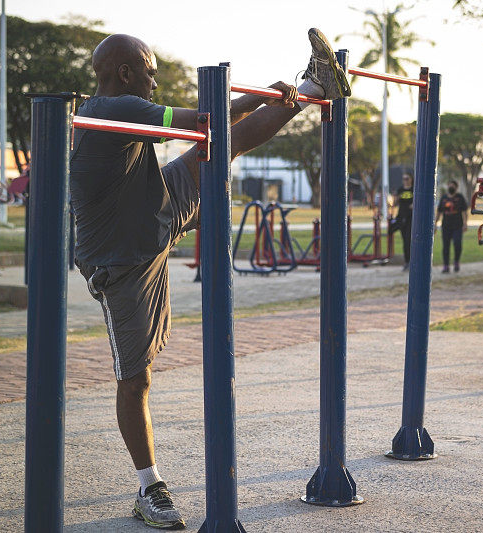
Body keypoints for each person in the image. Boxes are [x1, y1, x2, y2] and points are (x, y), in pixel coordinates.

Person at [70, 29, 350, 530]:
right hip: (121, 260)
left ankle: (315, 85)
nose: (155, 80)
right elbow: (201, 120)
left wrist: (281, 97)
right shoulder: (115, 108)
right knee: (135, 379)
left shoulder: (120, 105)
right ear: (127, 72)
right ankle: (149, 487)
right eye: (150, 72)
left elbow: (216, 130)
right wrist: (258, 94)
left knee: (228, 142)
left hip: (154, 206)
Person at [436, 180, 468, 273]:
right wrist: (435, 224)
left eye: (453, 186)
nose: (451, 187)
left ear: (456, 187)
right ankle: (446, 266)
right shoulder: (444, 198)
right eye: (449, 185)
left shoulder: (460, 197)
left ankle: (456, 262)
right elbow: (439, 212)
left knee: (457, 244)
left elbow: (464, 212)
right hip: (446, 226)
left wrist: (465, 224)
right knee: (446, 246)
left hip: (457, 226)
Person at [391, 173, 414, 270]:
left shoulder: (414, 189)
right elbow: (395, 204)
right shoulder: (400, 190)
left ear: (411, 179)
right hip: (401, 217)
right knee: (405, 240)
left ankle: (412, 261)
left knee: (410, 239)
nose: (405, 180)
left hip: (411, 218)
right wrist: (395, 198)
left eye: (407, 178)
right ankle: (407, 261)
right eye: (404, 179)